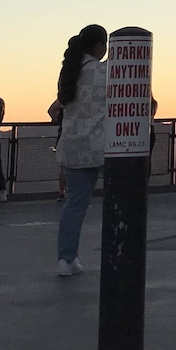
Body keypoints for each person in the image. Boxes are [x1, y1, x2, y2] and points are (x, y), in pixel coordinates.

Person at [55, 25, 107, 275]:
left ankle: (66, 259)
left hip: (73, 147)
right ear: (99, 46)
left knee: (74, 206)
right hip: (102, 146)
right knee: (121, 200)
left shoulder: (70, 72)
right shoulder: (104, 71)